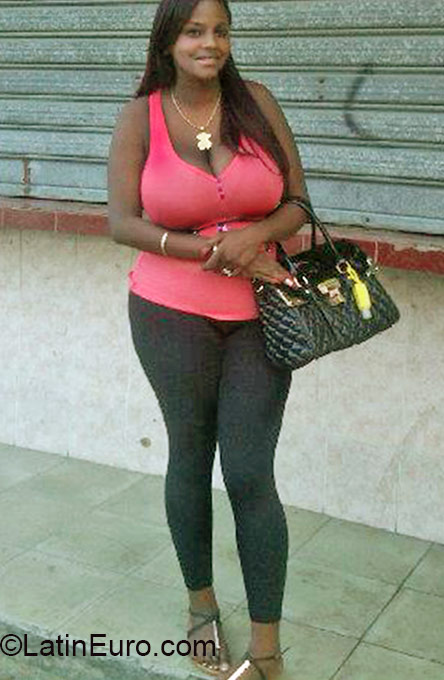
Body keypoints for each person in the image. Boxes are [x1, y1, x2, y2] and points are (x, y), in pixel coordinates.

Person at [108, 0, 309, 677]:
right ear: (168, 41)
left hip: (263, 313)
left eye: (220, 31)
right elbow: (121, 221)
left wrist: (258, 237)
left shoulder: (257, 102)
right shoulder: (141, 117)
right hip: (169, 312)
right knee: (191, 457)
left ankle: (266, 648)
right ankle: (201, 608)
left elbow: (298, 203)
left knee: (249, 471)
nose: (210, 43)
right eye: (194, 31)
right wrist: (207, 250)